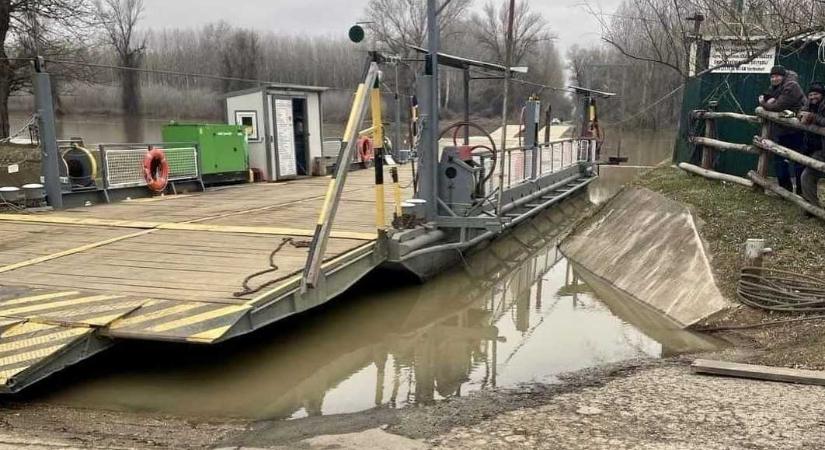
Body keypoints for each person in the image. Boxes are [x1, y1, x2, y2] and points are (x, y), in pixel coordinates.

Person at [759, 65, 806, 192]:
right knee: (780, 160)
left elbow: (778, 106)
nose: (774, 79)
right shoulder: (776, 86)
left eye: (777, 76)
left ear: (783, 76)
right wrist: (768, 100)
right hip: (782, 130)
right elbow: (766, 95)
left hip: (797, 130)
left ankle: (802, 192)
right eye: (772, 77)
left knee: (799, 161)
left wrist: (763, 103)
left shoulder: (791, 86)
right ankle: (785, 191)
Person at [800, 82, 825, 208]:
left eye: (816, 94)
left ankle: (812, 207)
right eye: (810, 94)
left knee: (807, 175)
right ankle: (812, 207)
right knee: (808, 176)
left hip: (822, 149)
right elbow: (802, 112)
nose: (812, 97)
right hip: (812, 147)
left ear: (821, 95)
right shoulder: (809, 103)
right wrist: (802, 116)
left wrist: (813, 117)